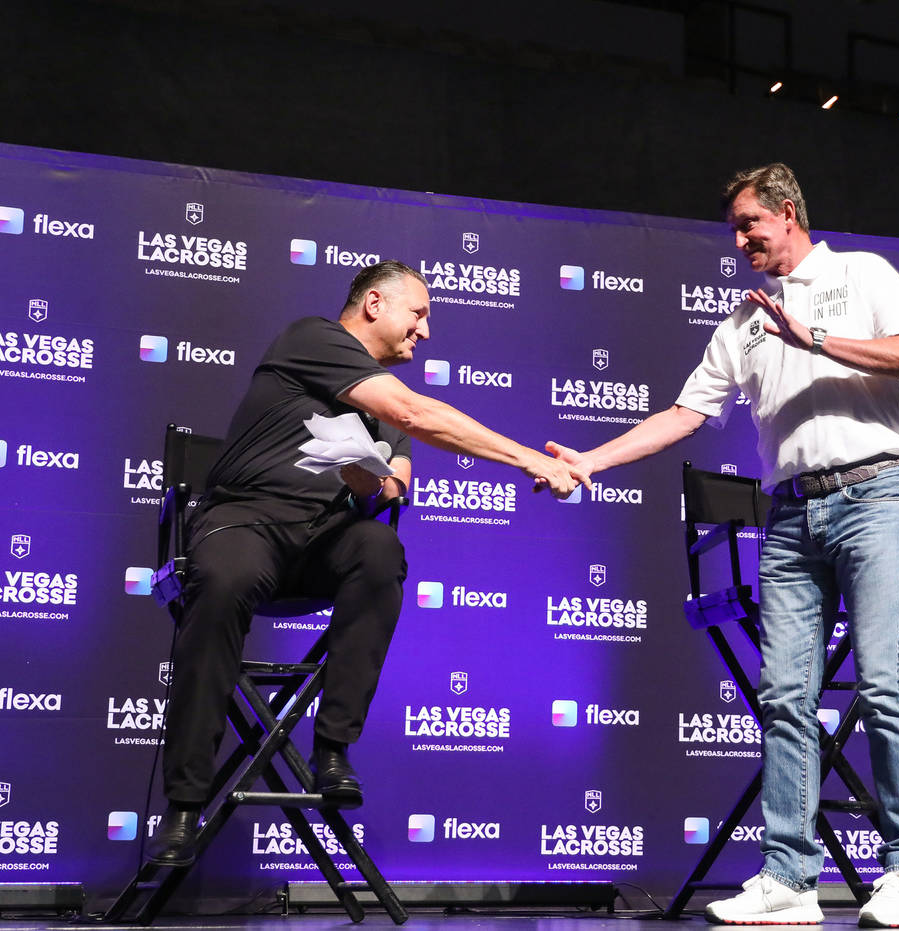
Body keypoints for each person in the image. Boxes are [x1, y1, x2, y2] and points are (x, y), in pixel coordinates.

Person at [547, 164, 899, 928]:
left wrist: (814, 336)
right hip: (789, 515)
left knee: (886, 683)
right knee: (785, 697)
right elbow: (685, 413)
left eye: (749, 223)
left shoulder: (862, 273)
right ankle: (790, 878)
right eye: (734, 227)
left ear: (788, 213)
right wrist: (592, 461)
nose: (739, 240)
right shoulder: (743, 319)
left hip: (875, 495)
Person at [149, 261, 587, 867]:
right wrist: (528, 460)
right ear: (375, 304)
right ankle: (184, 805)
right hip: (245, 521)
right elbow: (413, 415)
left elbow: (392, 486)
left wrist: (366, 479)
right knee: (225, 578)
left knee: (380, 548)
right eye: (420, 314)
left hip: (322, 542)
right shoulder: (312, 337)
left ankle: (332, 748)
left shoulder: (381, 409)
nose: (426, 332)